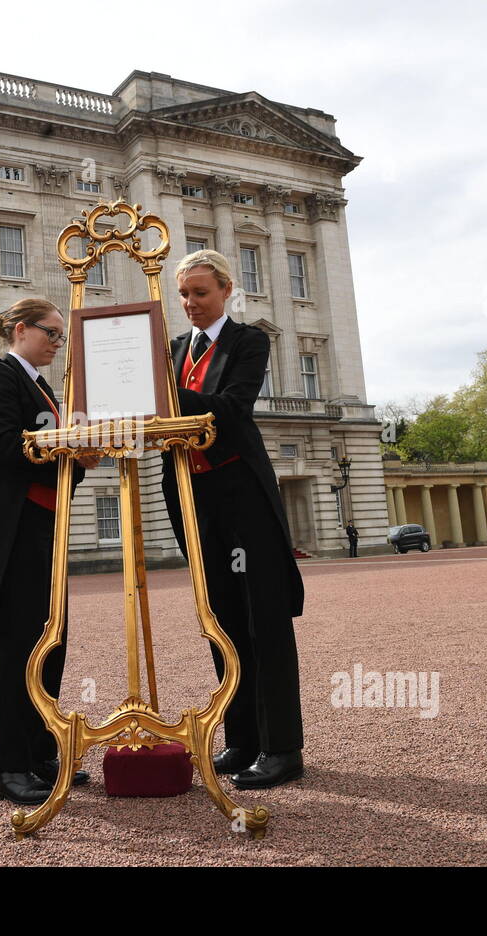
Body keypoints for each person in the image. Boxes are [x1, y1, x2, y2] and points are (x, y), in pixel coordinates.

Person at [160, 249, 305, 790]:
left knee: (262, 617)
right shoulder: (172, 349)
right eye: (184, 295)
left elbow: (231, 406)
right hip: (191, 493)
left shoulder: (248, 340)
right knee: (219, 616)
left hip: (242, 492)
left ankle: (281, 747)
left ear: (225, 290)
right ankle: (241, 739)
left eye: (200, 292)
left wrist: (162, 393)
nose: (191, 303)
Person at [0, 298, 99, 805]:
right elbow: (3, 443)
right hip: (15, 527)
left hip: (47, 522)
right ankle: (6, 767)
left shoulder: (43, 386)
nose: (57, 343)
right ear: (21, 330)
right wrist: (68, 444)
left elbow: (61, 463)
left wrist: (80, 452)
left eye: (61, 336)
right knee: (18, 644)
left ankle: (41, 752)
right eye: (52, 333)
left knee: (52, 638)